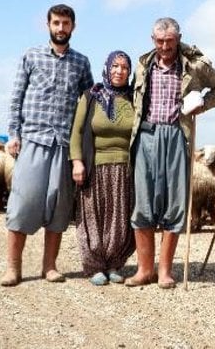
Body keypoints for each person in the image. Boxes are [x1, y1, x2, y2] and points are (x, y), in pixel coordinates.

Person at [125, 17, 215, 289]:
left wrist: (202, 105)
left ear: (179, 38)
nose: (164, 46)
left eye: (169, 41)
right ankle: (144, 270)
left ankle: (164, 272)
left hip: (176, 135)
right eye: (159, 41)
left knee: (175, 204)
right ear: (152, 40)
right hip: (146, 135)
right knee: (143, 204)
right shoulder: (143, 65)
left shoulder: (194, 66)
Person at [1, 4, 93, 287]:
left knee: (59, 206)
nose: (61, 28)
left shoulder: (81, 63)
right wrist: (12, 134)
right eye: (56, 23)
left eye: (66, 23)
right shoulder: (31, 56)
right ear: (48, 25)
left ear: (73, 27)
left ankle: (49, 266)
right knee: (23, 203)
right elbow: (16, 97)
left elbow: (88, 103)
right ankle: (13, 268)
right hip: (33, 139)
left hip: (65, 144)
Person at [70, 50, 136, 286]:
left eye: (124, 67)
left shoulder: (133, 98)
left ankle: (115, 263)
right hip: (95, 165)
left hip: (124, 169)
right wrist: (77, 161)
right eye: (115, 66)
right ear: (107, 68)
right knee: (93, 216)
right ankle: (95, 265)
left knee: (120, 217)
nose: (119, 71)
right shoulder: (91, 96)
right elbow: (76, 132)